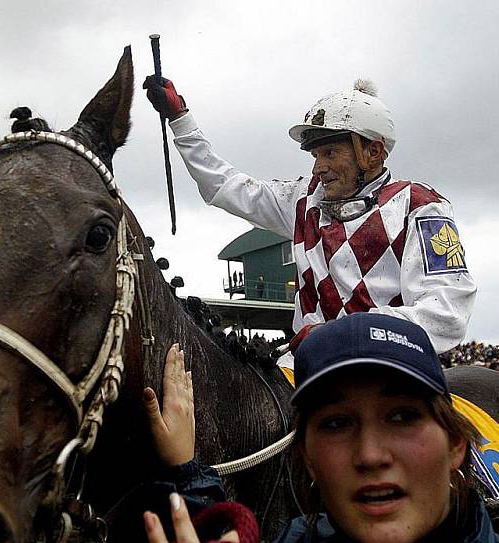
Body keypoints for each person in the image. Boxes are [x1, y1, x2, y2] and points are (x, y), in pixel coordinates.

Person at [135, 315, 499, 543]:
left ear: (456, 445)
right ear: (306, 457)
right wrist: (186, 471)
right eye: (337, 424)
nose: (371, 455)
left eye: (402, 416)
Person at [144, 77, 477, 357]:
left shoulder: (420, 206)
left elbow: (444, 314)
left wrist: (340, 336)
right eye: (316, 155)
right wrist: (181, 119)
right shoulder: (304, 199)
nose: (318, 167)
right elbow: (225, 185)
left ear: (373, 152)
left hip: (388, 368)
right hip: (306, 366)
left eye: (330, 153)